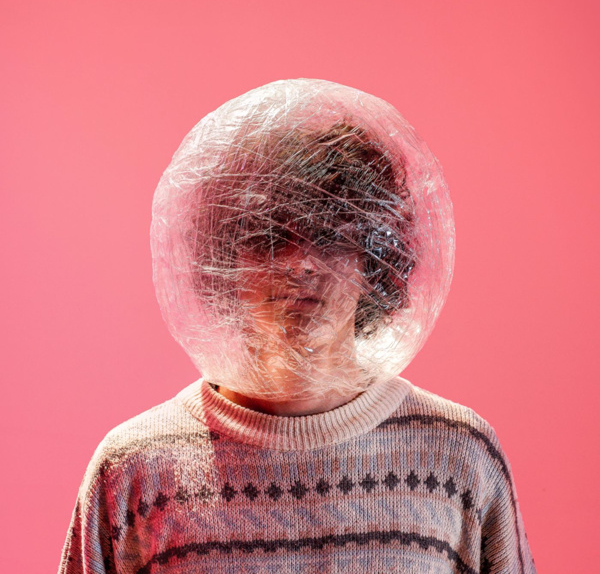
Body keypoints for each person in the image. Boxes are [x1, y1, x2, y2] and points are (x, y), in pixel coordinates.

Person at [59, 79, 536, 573]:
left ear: (377, 260)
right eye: (269, 236)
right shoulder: (136, 471)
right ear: (222, 261)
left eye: (331, 236)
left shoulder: (458, 457)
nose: (300, 263)